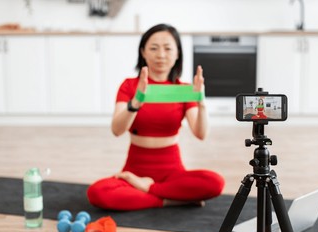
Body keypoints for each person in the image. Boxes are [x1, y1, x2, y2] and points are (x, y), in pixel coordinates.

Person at [87, 23, 225, 211]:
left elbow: (201, 134)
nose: (160, 55)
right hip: (134, 173)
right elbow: (117, 130)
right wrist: (136, 101)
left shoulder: (183, 89)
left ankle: (149, 190)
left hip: (172, 171)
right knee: (98, 192)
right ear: (143, 52)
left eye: (168, 48)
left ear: (177, 54)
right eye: (153, 48)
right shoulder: (129, 86)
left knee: (215, 182)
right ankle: (168, 200)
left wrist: (200, 101)